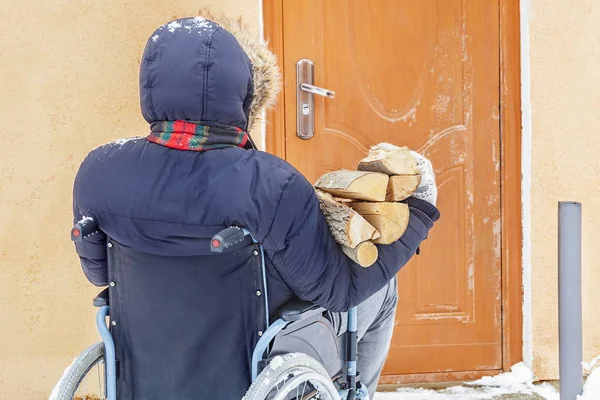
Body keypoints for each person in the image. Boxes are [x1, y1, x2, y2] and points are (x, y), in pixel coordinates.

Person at [71, 14, 440, 398]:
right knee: (381, 291)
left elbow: (100, 273)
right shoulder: (270, 183)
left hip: (151, 366)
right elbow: (339, 291)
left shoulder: (98, 171)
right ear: (243, 89)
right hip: (254, 364)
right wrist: (418, 215)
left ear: (149, 84)